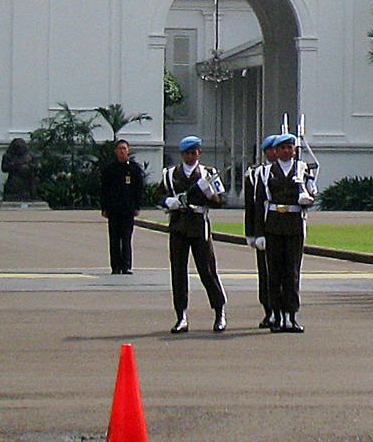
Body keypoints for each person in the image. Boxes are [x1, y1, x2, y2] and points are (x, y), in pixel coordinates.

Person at [156, 136, 228, 333]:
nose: (190, 156)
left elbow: (220, 201)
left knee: (207, 270)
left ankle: (219, 311)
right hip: (179, 225)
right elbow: (158, 195)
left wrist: (209, 194)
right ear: (182, 154)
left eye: (194, 152)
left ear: (199, 153)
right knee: (178, 272)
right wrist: (167, 202)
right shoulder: (170, 174)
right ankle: (181, 316)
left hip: (199, 225)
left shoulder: (209, 173)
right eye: (187, 153)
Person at [257, 133, 317, 332]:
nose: (285, 151)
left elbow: (312, 193)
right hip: (273, 224)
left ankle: (291, 315)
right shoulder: (266, 172)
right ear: (276, 150)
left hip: (293, 224)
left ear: (294, 149)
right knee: (274, 272)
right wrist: (258, 234)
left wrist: (307, 198)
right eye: (282, 148)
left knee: (292, 272)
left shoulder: (302, 169)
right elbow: (260, 203)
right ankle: (277, 314)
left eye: (289, 147)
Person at [98, 139, 147, 275]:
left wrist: (137, 206)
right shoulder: (110, 169)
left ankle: (126, 266)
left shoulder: (133, 169)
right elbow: (104, 189)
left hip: (128, 208)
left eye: (124, 148)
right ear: (115, 151)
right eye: (119, 148)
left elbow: (138, 189)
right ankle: (115, 266)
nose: (122, 151)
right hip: (113, 209)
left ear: (128, 150)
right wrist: (104, 207)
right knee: (114, 238)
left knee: (126, 237)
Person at [243, 137, 276, 327]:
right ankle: (268, 309)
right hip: (263, 228)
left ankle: (283, 310)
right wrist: (252, 234)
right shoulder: (256, 175)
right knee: (265, 273)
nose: (273, 153)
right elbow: (252, 206)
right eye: (269, 150)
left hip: (282, 227)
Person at [0, 136, 36, 201]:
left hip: (28, 178)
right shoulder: (8, 156)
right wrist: (15, 166)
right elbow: (4, 168)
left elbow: (37, 166)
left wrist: (29, 166)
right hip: (14, 177)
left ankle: (31, 195)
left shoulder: (30, 155)